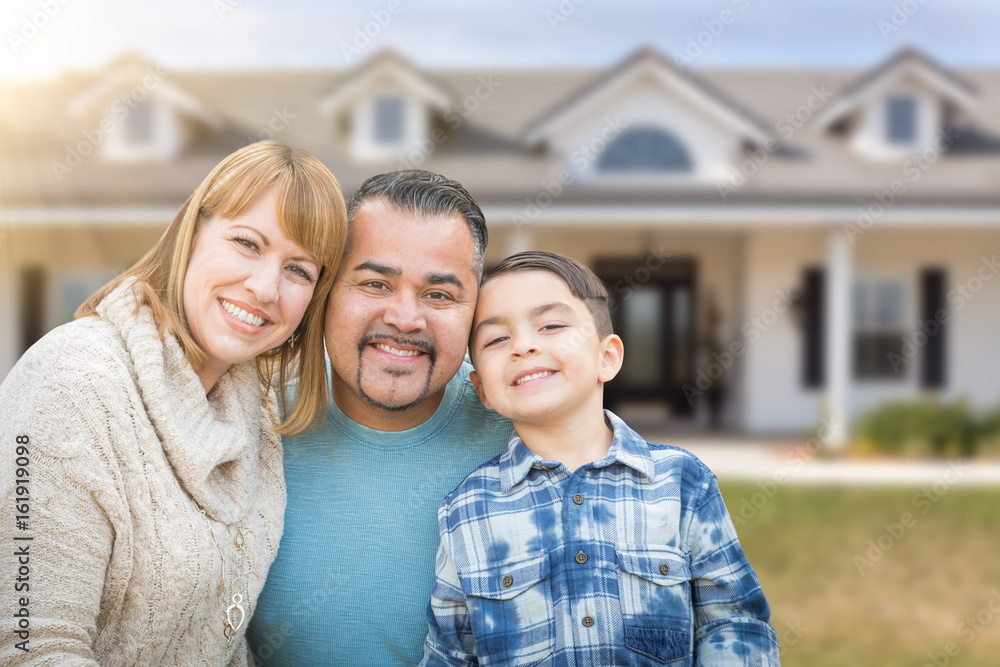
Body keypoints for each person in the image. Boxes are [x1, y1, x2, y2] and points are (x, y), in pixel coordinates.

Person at [0, 141, 347, 666]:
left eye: (299, 270)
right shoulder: (72, 384)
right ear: (192, 232)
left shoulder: (256, 409)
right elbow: (29, 646)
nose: (264, 287)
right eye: (247, 243)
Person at [421, 252, 780, 666]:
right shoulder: (466, 511)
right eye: (496, 339)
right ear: (482, 388)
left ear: (606, 357)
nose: (523, 345)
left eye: (551, 325)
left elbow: (734, 623)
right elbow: (449, 653)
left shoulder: (682, 484)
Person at [247, 170, 513, 666]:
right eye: (375, 284)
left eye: (439, 295)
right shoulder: (252, 422)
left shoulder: (524, 436)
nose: (405, 318)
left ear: (476, 307)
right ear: (326, 290)